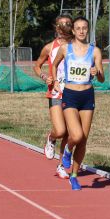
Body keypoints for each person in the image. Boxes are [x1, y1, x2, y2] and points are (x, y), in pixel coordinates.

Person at [52, 16, 104, 190]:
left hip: (87, 96)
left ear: (87, 30)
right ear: (73, 31)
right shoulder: (66, 49)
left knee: (83, 140)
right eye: (78, 28)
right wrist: (55, 81)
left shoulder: (95, 51)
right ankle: (67, 150)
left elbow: (102, 78)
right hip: (70, 96)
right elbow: (54, 64)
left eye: (84, 28)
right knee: (76, 135)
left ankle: (74, 175)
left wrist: (97, 72)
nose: (81, 31)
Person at [33, 15, 73, 179]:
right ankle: (51, 137)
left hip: (73, 92)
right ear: (56, 27)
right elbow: (37, 66)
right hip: (56, 92)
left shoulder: (77, 46)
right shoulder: (49, 48)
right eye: (61, 25)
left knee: (70, 133)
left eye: (67, 24)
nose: (64, 27)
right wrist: (44, 77)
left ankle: (61, 166)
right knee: (60, 131)